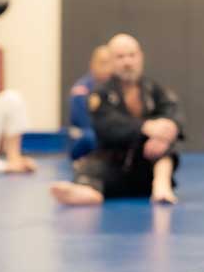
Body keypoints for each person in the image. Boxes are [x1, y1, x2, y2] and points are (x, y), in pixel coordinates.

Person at [50, 33, 182, 205]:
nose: (127, 62)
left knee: (166, 149)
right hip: (114, 166)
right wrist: (144, 127)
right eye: (120, 57)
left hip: (148, 169)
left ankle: (162, 186)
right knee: (90, 167)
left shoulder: (153, 89)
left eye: (131, 56)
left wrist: (164, 135)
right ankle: (87, 192)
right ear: (111, 62)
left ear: (140, 57)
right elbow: (106, 126)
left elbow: (172, 112)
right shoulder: (100, 93)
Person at [69, 45, 112, 160]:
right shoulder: (81, 91)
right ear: (92, 64)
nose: (107, 68)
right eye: (103, 63)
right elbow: (85, 123)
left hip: (108, 134)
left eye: (110, 63)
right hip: (86, 137)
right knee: (92, 137)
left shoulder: (117, 88)